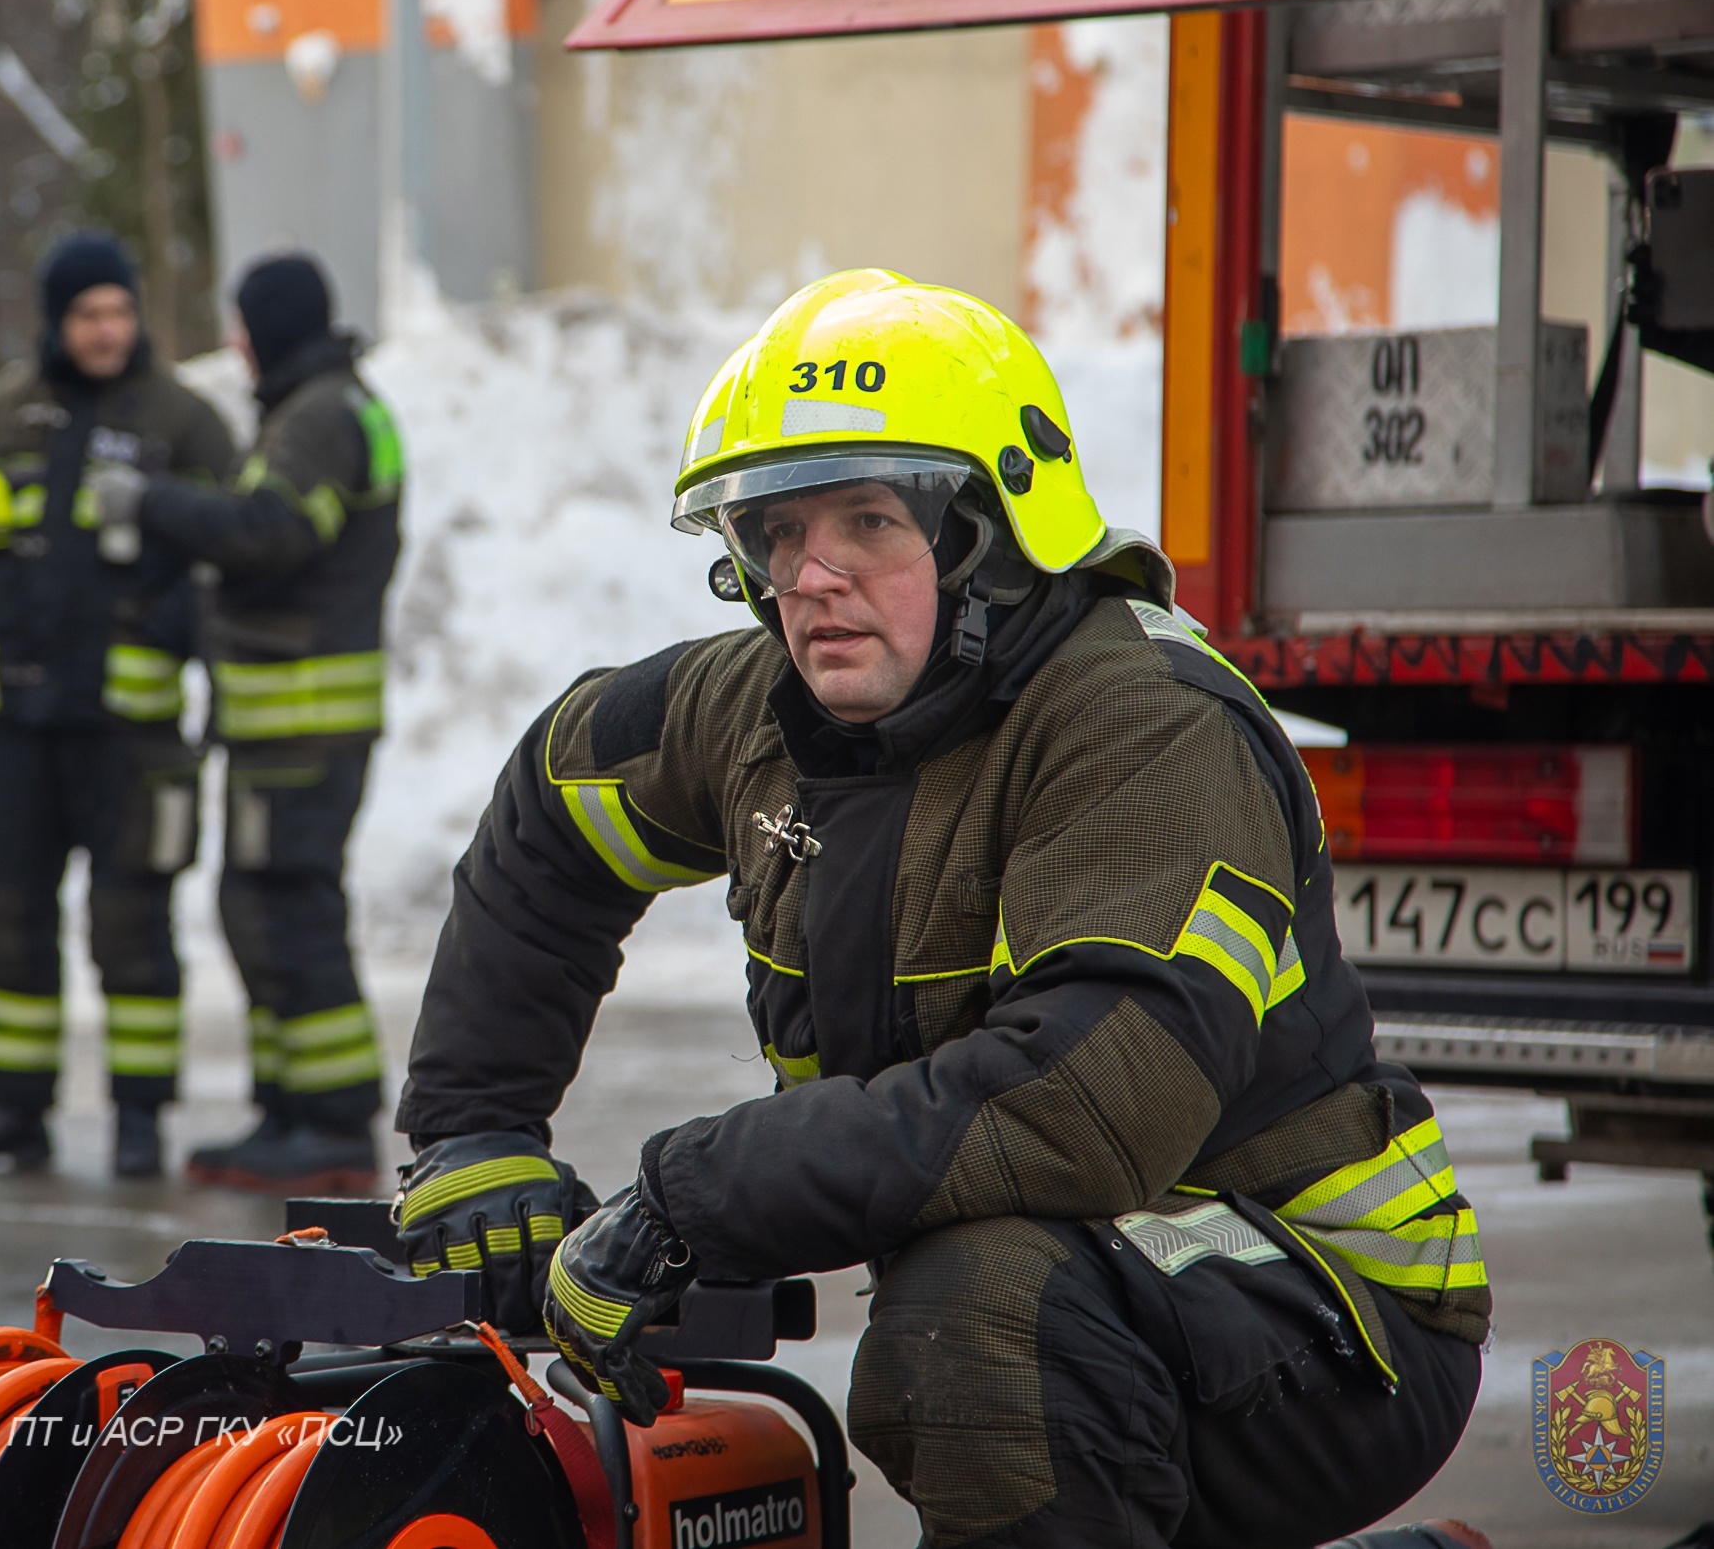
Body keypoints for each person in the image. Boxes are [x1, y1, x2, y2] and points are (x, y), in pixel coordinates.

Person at [392, 271, 1486, 1547]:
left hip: (1334, 1314)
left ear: (992, 530)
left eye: (866, 520)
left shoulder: (1142, 724)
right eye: (777, 531)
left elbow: (1081, 1108)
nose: (811, 575)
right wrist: (474, 1134)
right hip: (1104, 1276)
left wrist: (690, 1194)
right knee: (978, 1309)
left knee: (973, 1319)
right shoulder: (763, 705)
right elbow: (554, 808)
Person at [0, 233, 236, 1177]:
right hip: (16, 733)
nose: (106, 330)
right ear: (55, 321)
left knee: (133, 928)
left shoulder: (185, 421)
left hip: (130, 735)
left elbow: (235, 552)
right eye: (87, 314)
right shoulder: (1, 417)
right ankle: (10, 1113)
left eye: (119, 311)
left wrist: (190, 641)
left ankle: (140, 1119)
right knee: (8, 920)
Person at [93, 254, 402, 1193]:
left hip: (300, 722)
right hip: (287, 722)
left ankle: (335, 1119)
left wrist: (155, 505)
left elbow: (272, 530)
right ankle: (288, 1107)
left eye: (241, 328)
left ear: (269, 329)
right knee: (259, 903)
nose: (234, 346)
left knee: (285, 906)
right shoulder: (330, 406)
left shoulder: (318, 417)